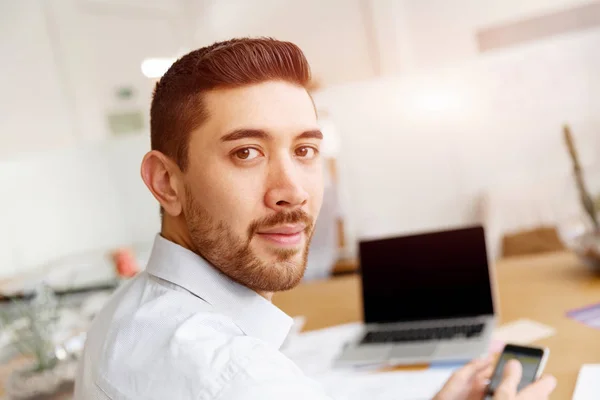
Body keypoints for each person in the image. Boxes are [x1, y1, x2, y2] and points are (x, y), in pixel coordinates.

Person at [74, 38, 556, 400]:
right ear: (166, 182)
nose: (292, 191)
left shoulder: (130, 310)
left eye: (305, 150)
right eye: (246, 152)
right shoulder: (230, 374)